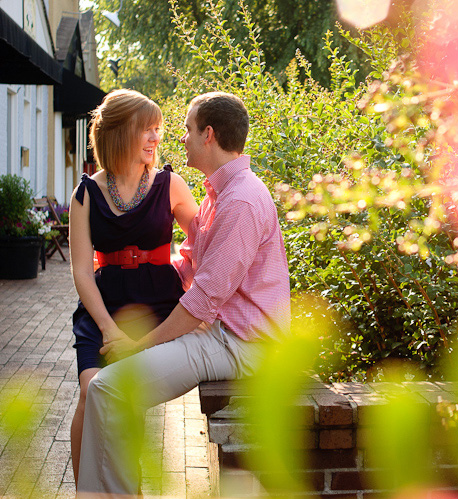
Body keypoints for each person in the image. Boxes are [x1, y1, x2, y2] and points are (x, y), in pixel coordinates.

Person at [77, 92, 291, 494]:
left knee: (107, 388)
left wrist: (142, 343)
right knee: (107, 389)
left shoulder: (241, 200)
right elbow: (190, 263)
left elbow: (203, 299)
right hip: (222, 333)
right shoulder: (220, 193)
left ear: (208, 135)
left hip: (240, 343)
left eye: (188, 129)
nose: (179, 138)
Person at [68, 89, 199, 486]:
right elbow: (80, 271)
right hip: (103, 309)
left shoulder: (170, 184)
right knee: (91, 393)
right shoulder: (85, 193)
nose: (155, 139)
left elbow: (208, 244)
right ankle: (87, 491)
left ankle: (128, 489)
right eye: (146, 130)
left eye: (157, 130)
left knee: (126, 398)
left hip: (157, 307)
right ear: (119, 133)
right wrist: (108, 328)